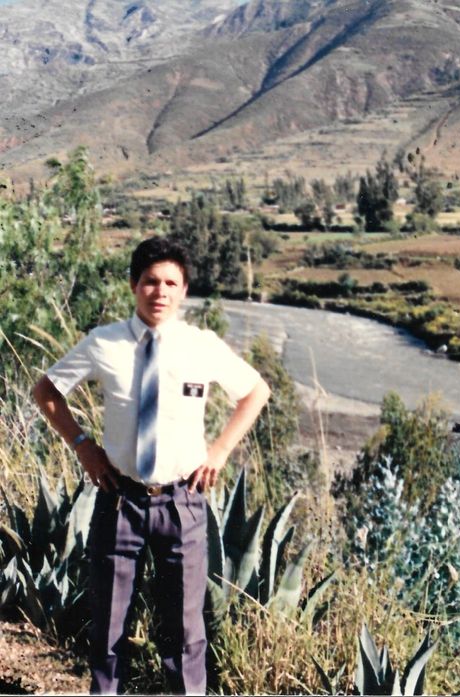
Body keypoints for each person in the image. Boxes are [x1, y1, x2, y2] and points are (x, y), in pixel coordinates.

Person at [33, 236, 271, 695]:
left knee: (185, 633)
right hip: (119, 501)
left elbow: (255, 392)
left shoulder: (201, 346)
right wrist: (83, 446)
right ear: (133, 285)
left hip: (182, 504)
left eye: (170, 283)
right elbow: (46, 392)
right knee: (107, 628)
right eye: (149, 282)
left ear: (183, 291)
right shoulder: (104, 343)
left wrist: (219, 450)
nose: (159, 292)